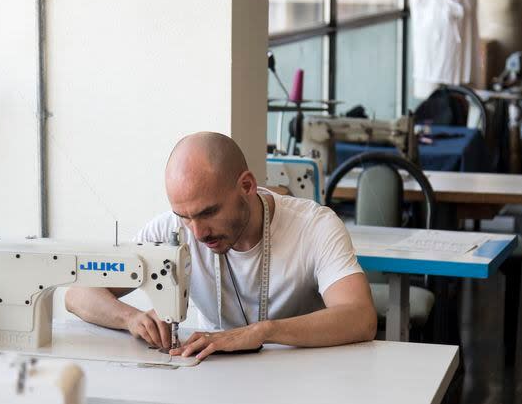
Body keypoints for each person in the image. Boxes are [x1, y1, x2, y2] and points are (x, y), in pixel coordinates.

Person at [65, 132, 377, 361]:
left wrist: (259, 332)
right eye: (184, 216)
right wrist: (130, 318)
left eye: (208, 212)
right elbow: (77, 293)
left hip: (302, 379)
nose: (197, 232)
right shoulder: (170, 232)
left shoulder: (315, 226)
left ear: (246, 186)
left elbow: (360, 317)